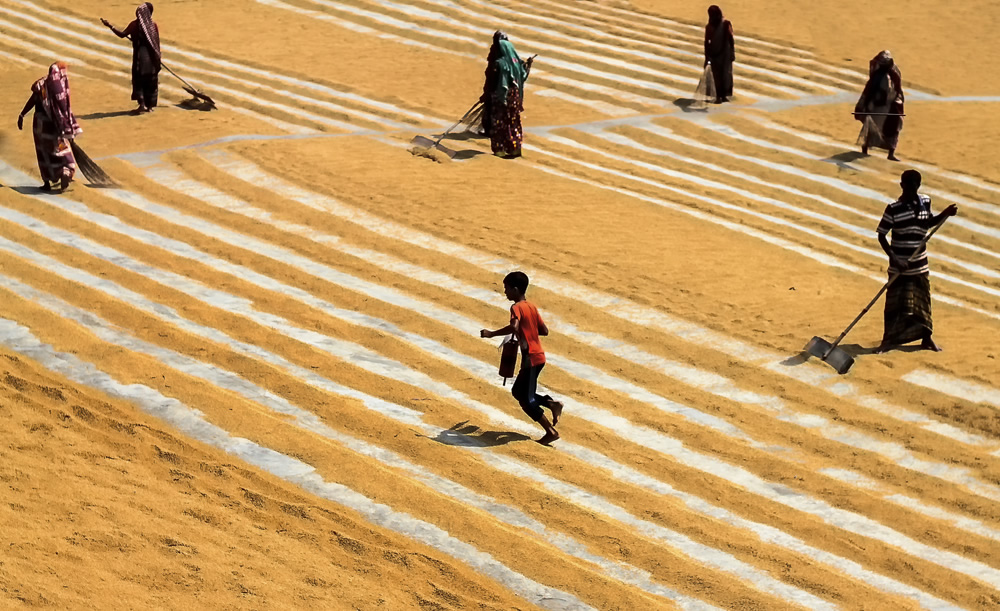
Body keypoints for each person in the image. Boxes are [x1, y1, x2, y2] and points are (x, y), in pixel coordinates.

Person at [874, 170, 957, 354]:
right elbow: (881, 235)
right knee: (895, 306)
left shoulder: (925, 202)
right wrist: (894, 258)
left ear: (917, 187)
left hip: (920, 265)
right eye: (906, 186)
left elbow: (928, 223)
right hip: (899, 268)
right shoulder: (893, 208)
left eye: (913, 187)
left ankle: (926, 339)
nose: (909, 190)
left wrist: (946, 213)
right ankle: (887, 341)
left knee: (922, 304)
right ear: (901, 185)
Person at [480, 272, 563, 445]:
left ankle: (551, 431)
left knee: (527, 400)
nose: (505, 292)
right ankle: (551, 404)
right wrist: (527, 331)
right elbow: (544, 330)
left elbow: (514, 326)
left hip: (531, 359)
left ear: (515, 289)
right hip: (538, 356)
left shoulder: (516, 308)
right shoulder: (531, 307)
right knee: (518, 392)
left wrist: (491, 334)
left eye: (507, 288)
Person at [17, 62, 81, 192]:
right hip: (53, 125)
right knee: (60, 149)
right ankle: (65, 171)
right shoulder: (60, 87)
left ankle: (47, 182)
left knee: (42, 152)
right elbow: (64, 110)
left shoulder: (42, 84)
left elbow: (33, 99)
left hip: (39, 125)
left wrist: (22, 114)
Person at [101, 2, 161, 113]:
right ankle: (150, 106)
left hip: (141, 57)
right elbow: (156, 42)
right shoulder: (153, 25)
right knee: (150, 81)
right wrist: (158, 57)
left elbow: (122, 34)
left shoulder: (134, 25)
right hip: (152, 58)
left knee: (139, 80)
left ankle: (142, 104)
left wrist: (110, 26)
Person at [487, 36, 533, 158]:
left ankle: (500, 149)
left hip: (503, 95)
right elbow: (522, 77)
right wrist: (527, 66)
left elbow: (496, 82)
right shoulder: (516, 63)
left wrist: (488, 96)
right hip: (515, 96)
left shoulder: (500, 63)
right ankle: (515, 148)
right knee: (513, 121)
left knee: (498, 122)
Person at [854, 50, 904, 161]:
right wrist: (868, 105)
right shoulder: (877, 77)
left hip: (892, 105)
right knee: (872, 127)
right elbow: (869, 93)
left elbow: (897, 89)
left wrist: (897, 100)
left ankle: (891, 153)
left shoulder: (894, 73)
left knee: (894, 128)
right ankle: (865, 149)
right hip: (877, 107)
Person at [704, 5, 735, 104]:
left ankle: (724, 95)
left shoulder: (726, 24)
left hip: (724, 53)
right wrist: (707, 56)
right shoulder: (709, 27)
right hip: (715, 54)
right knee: (717, 76)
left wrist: (732, 52)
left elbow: (730, 38)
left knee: (725, 74)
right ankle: (718, 96)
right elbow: (707, 42)